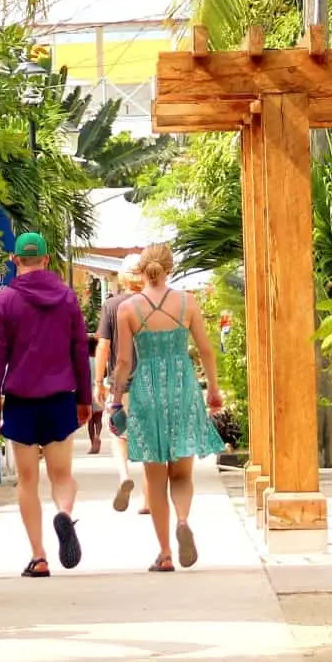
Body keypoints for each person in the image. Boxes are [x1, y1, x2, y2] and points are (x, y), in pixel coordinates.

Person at [0, 232, 95, 578]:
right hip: (60, 397)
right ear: (46, 260)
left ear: (16, 261)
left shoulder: (4, 302)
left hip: (21, 401)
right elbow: (79, 350)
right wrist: (84, 399)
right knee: (62, 476)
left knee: (27, 481)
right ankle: (63, 511)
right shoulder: (66, 298)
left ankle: (39, 556)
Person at [110, 243, 226, 572]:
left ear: (141, 271)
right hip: (183, 389)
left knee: (155, 478)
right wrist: (213, 390)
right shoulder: (187, 302)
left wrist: (117, 399)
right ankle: (184, 520)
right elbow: (206, 350)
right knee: (182, 473)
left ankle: (164, 553)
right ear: (170, 268)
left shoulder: (128, 309)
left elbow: (122, 362)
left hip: (147, 393)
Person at [95, 252, 149, 514]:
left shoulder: (112, 305)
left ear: (124, 276)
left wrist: (97, 381)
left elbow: (103, 346)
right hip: (150, 382)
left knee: (118, 431)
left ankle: (124, 475)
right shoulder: (155, 303)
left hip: (120, 382)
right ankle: (148, 501)